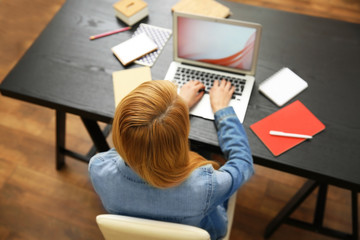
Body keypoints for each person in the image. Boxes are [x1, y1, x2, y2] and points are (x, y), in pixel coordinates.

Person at [89, 79, 253, 240]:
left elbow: (134, 145)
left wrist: (171, 110)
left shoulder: (98, 168)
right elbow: (243, 163)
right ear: (182, 137)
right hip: (210, 231)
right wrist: (222, 110)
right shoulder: (205, 186)